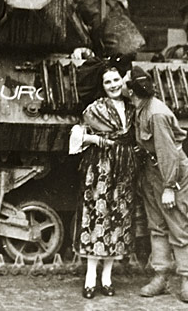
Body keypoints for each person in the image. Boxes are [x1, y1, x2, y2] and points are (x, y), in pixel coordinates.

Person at [124, 66, 188, 304]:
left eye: (125, 81)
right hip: (153, 170)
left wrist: (170, 186)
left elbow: (169, 153)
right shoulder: (141, 107)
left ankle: (187, 279)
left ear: (131, 90)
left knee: (177, 223)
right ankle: (161, 277)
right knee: (156, 225)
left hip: (170, 171)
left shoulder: (156, 113)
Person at [69, 58, 137, 299]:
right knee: (97, 218)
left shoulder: (131, 108)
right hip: (100, 169)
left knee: (117, 220)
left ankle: (107, 278)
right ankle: (90, 278)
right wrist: (98, 140)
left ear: (123, 80)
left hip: (124, 170)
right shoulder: (95, 108)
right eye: (107, 81)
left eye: (116, 79)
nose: (113, 85)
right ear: (103, 85)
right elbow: (77, 134)